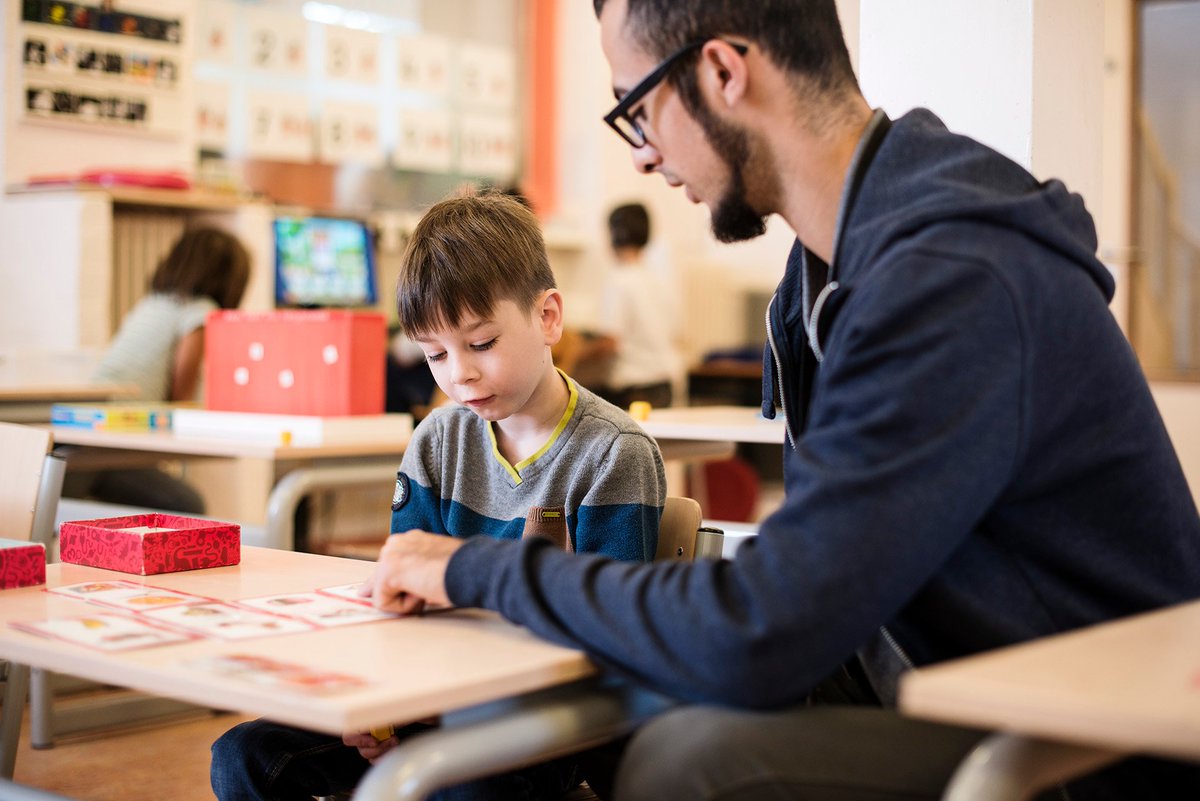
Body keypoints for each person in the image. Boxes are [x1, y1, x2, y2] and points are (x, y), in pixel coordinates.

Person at [361, 1, 1200, 799]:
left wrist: (474, 565)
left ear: (723, 70)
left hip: (1080, 745)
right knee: (660, 702)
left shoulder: (950, 280)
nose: (641, 157)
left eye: (637, 112)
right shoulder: (827, 273)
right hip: (934, 676)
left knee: (690, 764)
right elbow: (804, 590)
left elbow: (765, 630)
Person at [210, 188, 667, 801]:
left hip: (548, 721)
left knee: (456, 790)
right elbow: (403, 598)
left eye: (481, 344)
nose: (460, 374)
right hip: (430, 701)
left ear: (548, 317)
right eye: (434, 355)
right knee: (244, 758)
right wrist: (384, 710)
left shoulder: (614, 453)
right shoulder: (436, 440)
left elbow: (610, 638)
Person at [65, 227, 250, 513]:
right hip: (109, 450)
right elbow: (181, 398)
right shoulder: (200, 312)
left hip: (83, 434)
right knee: (188, 504)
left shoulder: (153, 303)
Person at [589, 202, 683, 409]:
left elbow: (611, 342)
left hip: (636, 390)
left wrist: (578, 350)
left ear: (614, 234)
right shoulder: (660, 280)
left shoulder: (619, 280)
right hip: (664, 385)